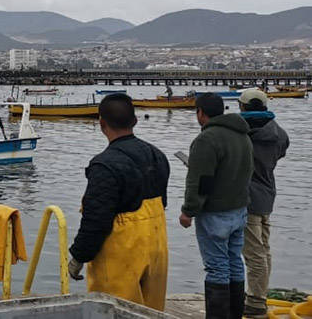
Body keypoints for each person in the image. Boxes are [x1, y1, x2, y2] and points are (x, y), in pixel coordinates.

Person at [68, 93, 170, 311]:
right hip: (157, 247)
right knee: (151, 313)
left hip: (121, 255)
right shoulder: (158, 155)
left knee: (114, 311)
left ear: (101, 123)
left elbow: (96, 220)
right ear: (135, 121)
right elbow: (163, 202)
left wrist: (78, 256)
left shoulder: (104, 165)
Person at [179, 93, 253, 319]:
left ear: (200, 112)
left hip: (215, 214)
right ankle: (235, 314)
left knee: (217, 267)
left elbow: (199, 181)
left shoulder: (206, 140)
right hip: (239, 210)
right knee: (234, 262)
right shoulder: (243, 136)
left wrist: (188, 211)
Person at [237, 89, 290, 318]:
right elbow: (281, 154)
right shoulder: (279, 133)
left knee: (253, 252)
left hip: (247, 197)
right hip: (268, 194)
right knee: (264, 249)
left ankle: (256, 302)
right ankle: (259, 294)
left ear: (243, 107)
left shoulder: (240, 131)